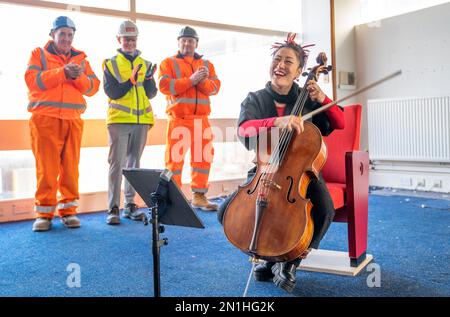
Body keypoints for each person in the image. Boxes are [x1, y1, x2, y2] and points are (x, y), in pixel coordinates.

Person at [217, 34, 345, 292]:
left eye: (288, 61)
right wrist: (276, 122)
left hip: (300, 174)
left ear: (299, 71)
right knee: (225, 212)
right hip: (265, 171)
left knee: (324, 210)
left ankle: (291, 261)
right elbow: (244, 129)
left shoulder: (307, 97)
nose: (281, 65)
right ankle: (266, 256)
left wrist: (322, 99)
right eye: (277, 59)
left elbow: (340, 122)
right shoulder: (255, 99)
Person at [25, 16, 100, 232]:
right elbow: (33, 80)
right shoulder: (38, 54)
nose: (66, 38)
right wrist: (63, 72)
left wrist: (77, 77)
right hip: (44, 119)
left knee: (70, 168)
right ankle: (44, 214)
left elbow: (93, 88)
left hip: (73, 120)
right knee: (46, 168)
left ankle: (69, 211)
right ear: (52, 35)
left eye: (70, 35)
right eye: (62, 34)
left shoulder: (82, 60)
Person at [158, 26, 221, 211]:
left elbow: (215, 88)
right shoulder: (167, 62)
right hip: (179, 119)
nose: (187, 43)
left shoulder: (207, 64)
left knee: (203, 159)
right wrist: (191, 80)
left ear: (196, 43)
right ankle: (174, 199)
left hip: (202, 120)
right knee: (174, 162)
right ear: (178, 43)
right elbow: (164, 86)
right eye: (184, 40)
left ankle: (199, 197)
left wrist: (201, 81)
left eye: (191, 40)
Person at [103, 20, 157, 225]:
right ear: (119, 39)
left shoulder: (147, 64)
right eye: (126, 39)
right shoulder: (111, 63)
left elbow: (151, 94)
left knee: (134, 165)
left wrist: (150, 79)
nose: (130, 42)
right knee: (116, 165)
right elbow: (112, 92)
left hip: (141, 120)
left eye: (133, 39)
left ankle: (130, 206)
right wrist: (131, 82)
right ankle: (113, 209)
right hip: (119, 121)